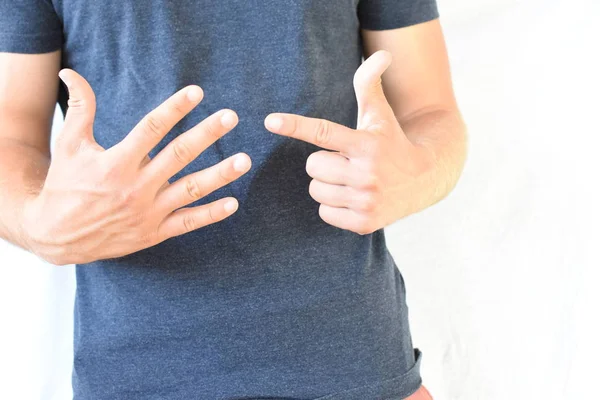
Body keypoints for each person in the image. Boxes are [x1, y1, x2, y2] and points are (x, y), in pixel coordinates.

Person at [0, 0, 466, 399]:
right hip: (135, 373)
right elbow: (10, 133)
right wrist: (36, 223)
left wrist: (414, 175)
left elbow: (430, 110)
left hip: (355, 366)